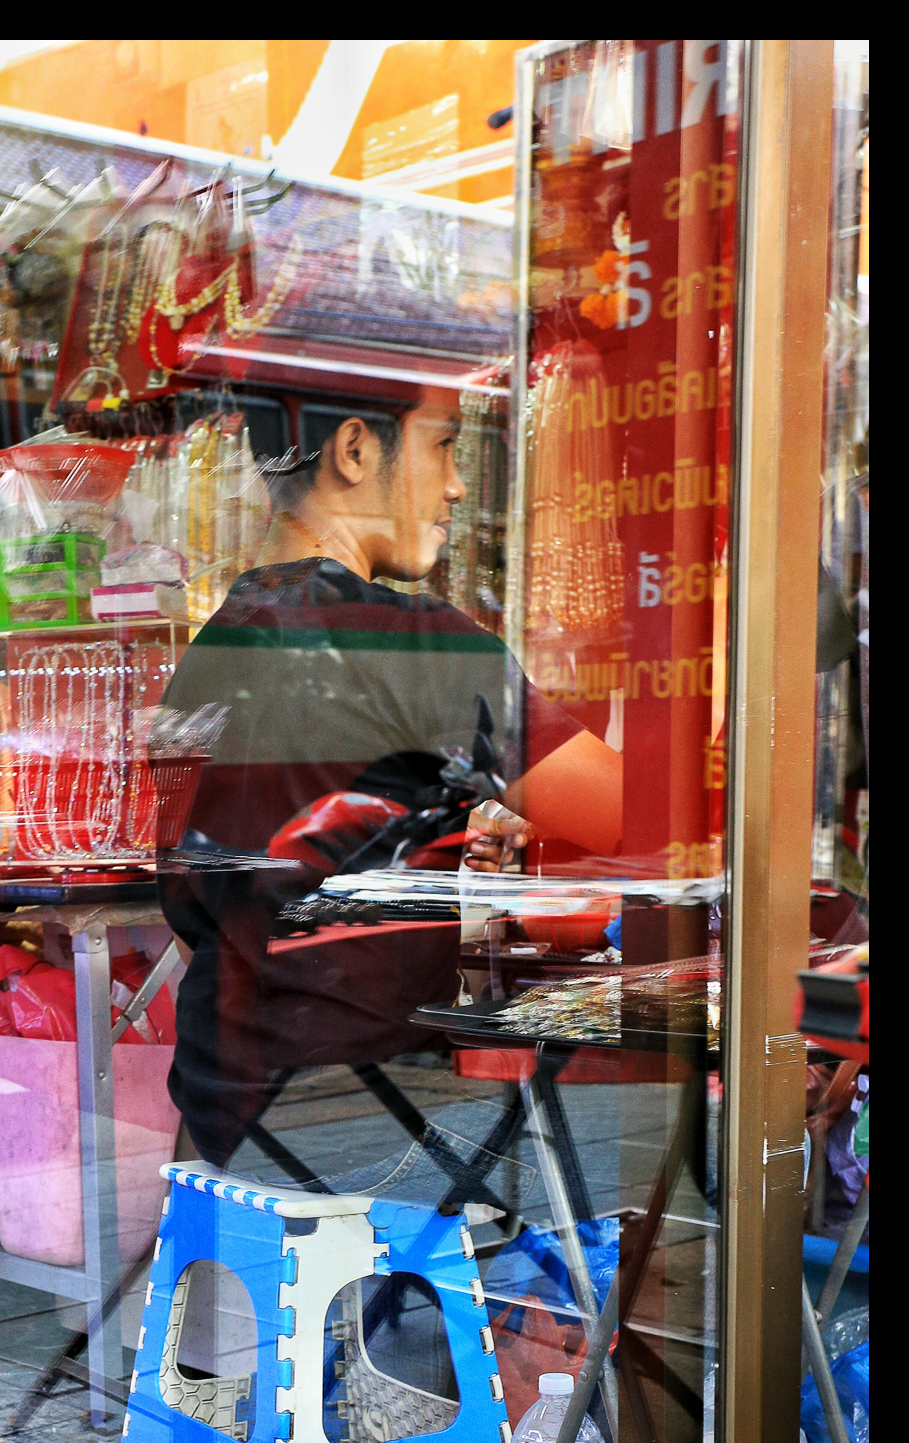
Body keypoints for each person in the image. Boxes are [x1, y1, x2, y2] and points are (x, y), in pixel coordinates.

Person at [157, 395, 624, 1168]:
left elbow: (207, 892)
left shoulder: (212, 646)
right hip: (362, 1120)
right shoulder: (415, 644)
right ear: (353, 449)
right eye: (441, 448)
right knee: (635, 1158)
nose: (455, 486)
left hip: (218, 1103)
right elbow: (627, 815)